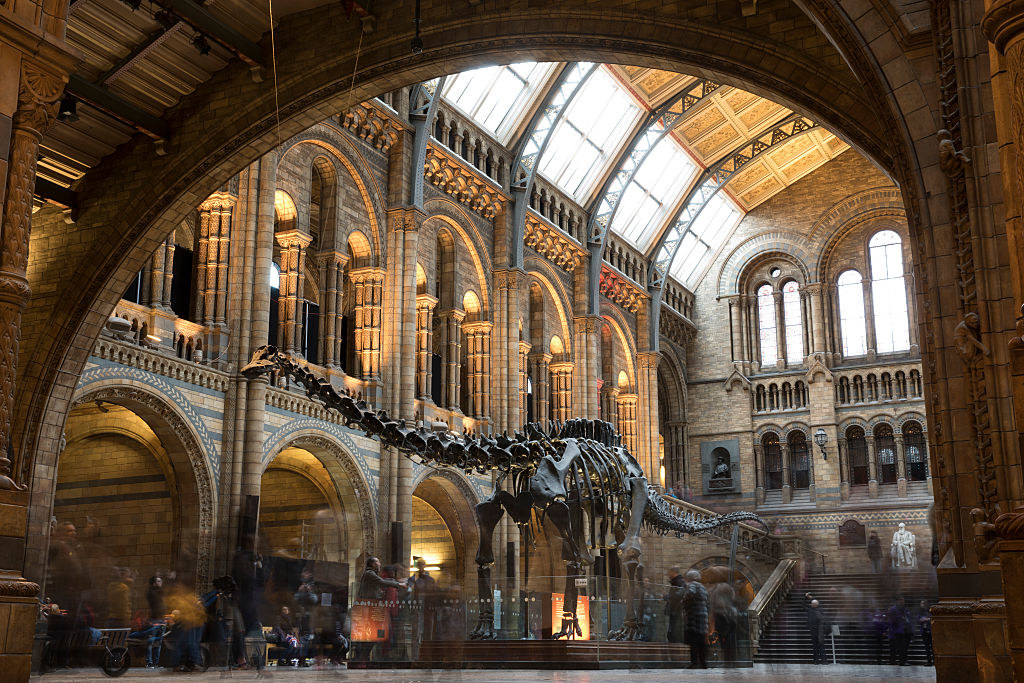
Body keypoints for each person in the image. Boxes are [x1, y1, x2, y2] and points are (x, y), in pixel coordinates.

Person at [681, 570, 709, 669]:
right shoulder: (702, 587)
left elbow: (690, 593)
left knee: (693, 641)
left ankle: (694, 662)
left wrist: (683, 600)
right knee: (701, 641)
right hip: (703, 616)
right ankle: (703, 662)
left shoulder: (692, 584)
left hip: (694, 616)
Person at [709, 582, 739, 667]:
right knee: (729, 641)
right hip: (728, 618)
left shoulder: (719, 593)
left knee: (726, 641)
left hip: (724, 618)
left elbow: (718, 605)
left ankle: (728, 662)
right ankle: (730, 662)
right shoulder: (728, 594)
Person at [887, 596, 912, 666]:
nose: (903, 602)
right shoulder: (893, 609)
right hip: (898, 631)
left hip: (905, 630)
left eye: (903, 600)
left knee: (904, 647)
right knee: (901, 647)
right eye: (901, 600)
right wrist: (901, 618)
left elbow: (908, 618)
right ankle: (902, 661)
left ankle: (903, 660)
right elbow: (892, 620)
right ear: (897, 601)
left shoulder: (904, 609)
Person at [664, 567, 685, 644]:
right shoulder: (676, 582)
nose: (668, 574)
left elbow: (678, 595)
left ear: (674, 572)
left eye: (669, 572)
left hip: (677, 610)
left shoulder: (679, 582)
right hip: (674, 610)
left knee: (674, 633)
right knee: (671, 632)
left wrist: (666, 597)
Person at [807, 598, 828, 664]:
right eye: (812, 603)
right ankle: (819, 661)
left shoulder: (819, 611)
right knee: (818, 647)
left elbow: (823, 620)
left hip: (819, 632)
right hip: (816, 631)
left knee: (819, 646)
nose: (812, 604)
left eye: (813, 604)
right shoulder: (812, 610)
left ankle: (820, 661)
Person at [918, 600, 933, 666]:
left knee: (932, 647)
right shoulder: (921, 612)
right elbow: (919, 619)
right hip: (924, 631)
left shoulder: (930, 610)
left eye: (924, 603)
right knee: (927, 647)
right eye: (921, 604)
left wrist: (926, 619)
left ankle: (935, 661)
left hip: (930, 631)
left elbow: (932, 618)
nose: (922, 605)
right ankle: (929, 661)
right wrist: (926, 619)